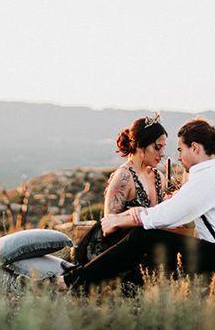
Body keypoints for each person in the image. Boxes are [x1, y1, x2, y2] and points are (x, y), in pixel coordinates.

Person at [61, 118, 215, 292]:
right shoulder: (214, 176)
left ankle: (71, 282)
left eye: (181, 149)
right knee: (157, 254)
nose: (177, 157)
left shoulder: (209, 178)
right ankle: (126, 295)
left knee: (143, 237)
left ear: (195, 148)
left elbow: (165, 216)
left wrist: (119, 220)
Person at [72, 114, 168, 266]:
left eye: (163, 147)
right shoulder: (123, 177)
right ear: (140, 145)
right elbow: (108, 227)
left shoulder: (159, 177)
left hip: (149, 251)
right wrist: (131, 215)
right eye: (157, 147)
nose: (162, 154)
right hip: (117, 255)